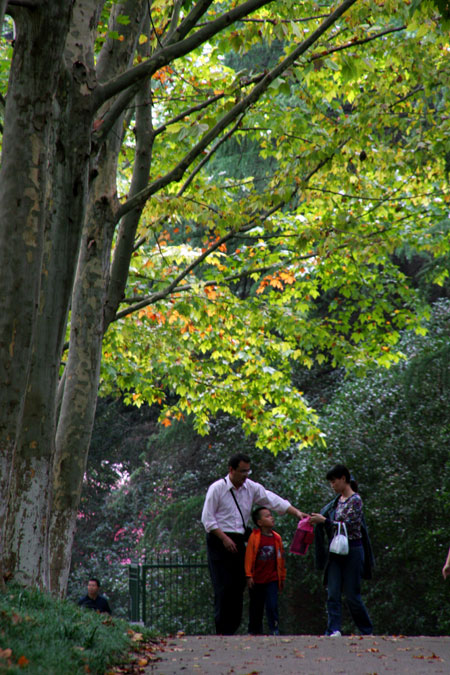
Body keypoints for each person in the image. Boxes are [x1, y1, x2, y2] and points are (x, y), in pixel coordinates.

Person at [201, 452, 307, 635]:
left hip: (239, 540)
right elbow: (207, 519)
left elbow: (272, 499)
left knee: (238, 586)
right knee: (223, 586)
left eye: (247, 472)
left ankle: (232, 630)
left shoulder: (251, 488)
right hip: (219, 540)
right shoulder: (217, 488)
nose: (245, 476)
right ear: (231, 470)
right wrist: (224, 538)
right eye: (242, 471)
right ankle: (221, 630)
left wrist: (296, 513)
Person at [310, 464, 373, 637]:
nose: (332, 485)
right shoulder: (335, 503)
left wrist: (325, 522)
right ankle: (333, 629)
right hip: (336, 551)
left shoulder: (356, 500)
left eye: (334, 481)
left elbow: (350, 525)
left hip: (353, 550)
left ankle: (366, 630)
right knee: (333, 591)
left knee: (352, 595)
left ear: (343, 479)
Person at [245, 507, 286, 635]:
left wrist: (282, 576)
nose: (271, 517)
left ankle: (274, 629)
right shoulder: (254, 537)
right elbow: (249, 556)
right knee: (256, 606)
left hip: (272, 579)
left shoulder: (277, 538)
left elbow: (281, 558)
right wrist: (249, 575)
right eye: (267, 516)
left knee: (272, 605)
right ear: (260, 522)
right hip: (257, 579)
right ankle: (254, 630)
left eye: (271, 515)